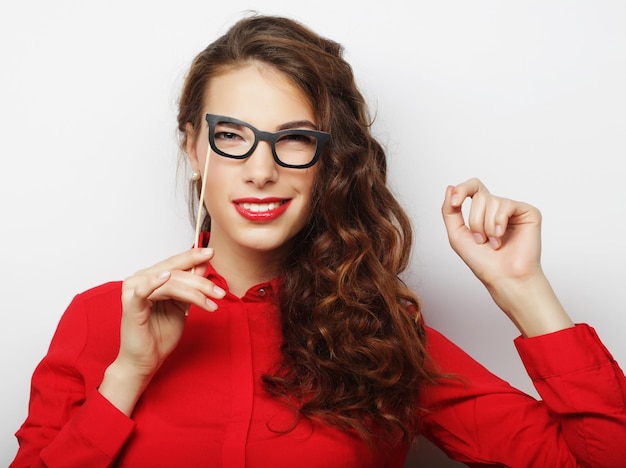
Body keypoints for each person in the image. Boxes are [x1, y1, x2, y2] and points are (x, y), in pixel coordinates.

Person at [10, 14, 626, 468]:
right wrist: (128, 373)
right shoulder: (101, 320)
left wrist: (523, 290)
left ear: (330, 161)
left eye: (295, 138)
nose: (261, 169)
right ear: (194, 149)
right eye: (232, 135)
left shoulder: (380, 334)